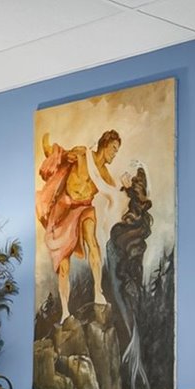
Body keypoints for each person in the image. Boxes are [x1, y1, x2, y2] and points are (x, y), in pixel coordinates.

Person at [36, 128, 122, 322]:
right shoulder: (83, 154)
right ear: (105, 144)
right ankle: (65, 311)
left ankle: (98, 291)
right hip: (64, 209)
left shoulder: (106, 176)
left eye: (117, 150)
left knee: (92, 240)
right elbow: (59, 156)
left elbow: (118, 194)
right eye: (114, 149)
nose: (115, 154)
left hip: (84, 208)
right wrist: (49, 148)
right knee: (63, 263)